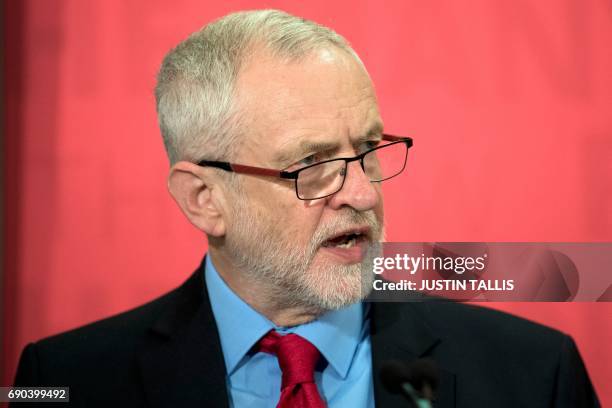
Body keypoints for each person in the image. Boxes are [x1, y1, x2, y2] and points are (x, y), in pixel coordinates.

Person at [13, 9, 599, 407]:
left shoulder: (533, 375)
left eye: (369, 150)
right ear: (204, 199)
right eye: (310, 166)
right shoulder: (65, 381)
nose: (364, 194)